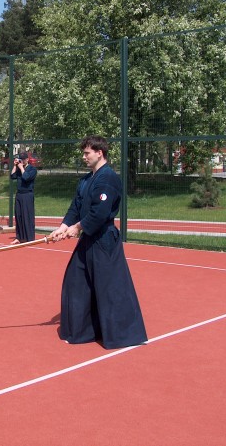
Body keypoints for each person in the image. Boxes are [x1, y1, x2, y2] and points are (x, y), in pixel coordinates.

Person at [50, 135, 147, 349]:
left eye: (87, 153)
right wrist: (63, 227)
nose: (84, 157)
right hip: (88, 239)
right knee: (76, 282)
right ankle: (83, 331)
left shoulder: (108, 178)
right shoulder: (85, 180)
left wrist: (77, 228)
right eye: (83, 153)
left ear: (99, 153)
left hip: (104, 240)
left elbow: (100, 212)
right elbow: (76, 207)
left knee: (109, 288)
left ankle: (123, 334)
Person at [10, 151, 37, 244]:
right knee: (19, 215)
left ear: (27, 159)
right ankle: (19, 237)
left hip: (27, 195)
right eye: (20, 159)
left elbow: (26, 177)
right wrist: (15, 166)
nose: (21, 161)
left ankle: (29, 238)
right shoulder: (18, 168)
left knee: (27, 216)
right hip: (19, 194)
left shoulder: (32, 169)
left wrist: (21, 168)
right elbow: (12, 176)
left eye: (23, 159)